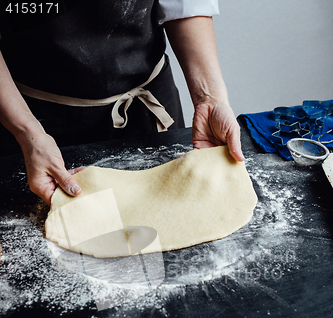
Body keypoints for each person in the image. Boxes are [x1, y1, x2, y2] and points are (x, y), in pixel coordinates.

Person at [0, 0, 244, 205]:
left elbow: (184, 4)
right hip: (35, 122)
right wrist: (27, 133)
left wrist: (209, 98)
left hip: (149, 106)